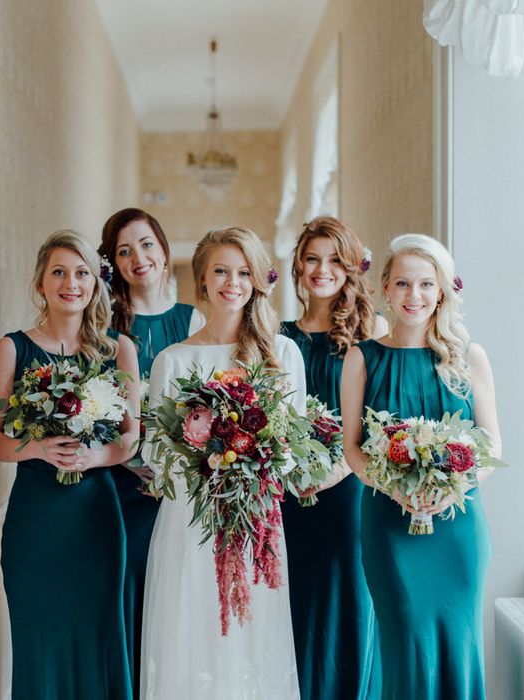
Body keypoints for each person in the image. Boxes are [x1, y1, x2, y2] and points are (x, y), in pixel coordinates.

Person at [141, 226, 305, 700]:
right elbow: (156, 450)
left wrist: (248, 465)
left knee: (253, 641)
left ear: (257, 279)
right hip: (190, 522)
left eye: (242, 272)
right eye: (220, 271)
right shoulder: (172, 361)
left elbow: (289, 446)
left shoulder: (282, 354)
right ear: (203, 280)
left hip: (254, 520)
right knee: (192, 635)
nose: (232, 282)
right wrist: (208, 464)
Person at [0, 229, 140, 700]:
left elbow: (132, 436)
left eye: (81, 273)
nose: (70, 282)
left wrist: (97, 456)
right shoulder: (11, 349)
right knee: (39, 642)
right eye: (58, 272)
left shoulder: (118, 350)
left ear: (94, 284)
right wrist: (36, 448)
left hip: (97, 518)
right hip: (36, 520)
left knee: (99, 638)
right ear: (41, 283)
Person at [341, 233, 501, 700]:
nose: (415, 296)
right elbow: (353, 448)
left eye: (426, 285)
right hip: (390, 526)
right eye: (404, 284)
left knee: (459, 644)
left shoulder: (468, 356)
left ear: (443, 291)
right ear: (386, 289)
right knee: (406, 643)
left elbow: (490, 442)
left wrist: (453, 490)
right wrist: (395, 489)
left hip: (458, 528)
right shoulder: (362, 358)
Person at [99, 208, 204, 697]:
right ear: (114, 265)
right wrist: (131, 456)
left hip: (180, 485)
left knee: (176, 599)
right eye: (124, 251)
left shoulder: (194, 320)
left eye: (145, 244)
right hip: (120, 485)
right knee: (127, 591)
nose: (137, 258)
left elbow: (207, 401)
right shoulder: (104, 326)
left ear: (163, 249)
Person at [280, 216, 386, 700]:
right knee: (293, 607)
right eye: (312, 258)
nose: (322, 270)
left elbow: (379, 422)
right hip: (286, 497)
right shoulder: (276, 335)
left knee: (346, 607)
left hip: (347, 494)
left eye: (334, 260)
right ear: (298, 266)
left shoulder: (372, 333)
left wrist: (333, 469)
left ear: (351, 268)